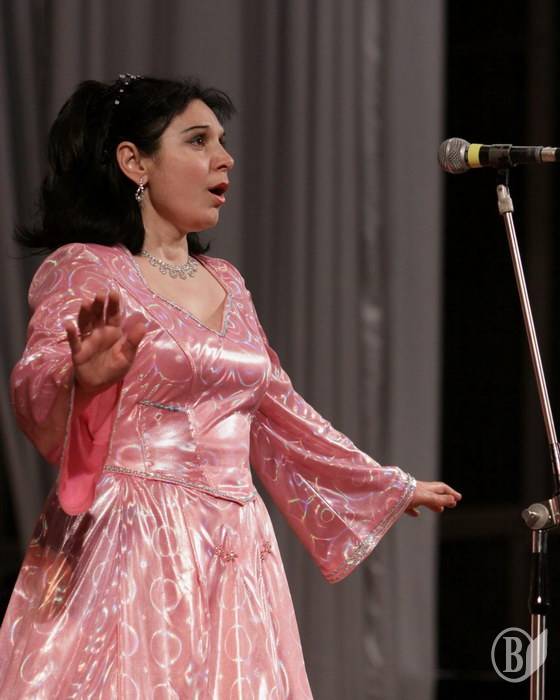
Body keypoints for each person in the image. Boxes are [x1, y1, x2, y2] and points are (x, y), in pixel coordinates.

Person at [0, 74, 461, 698]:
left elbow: (278, 410)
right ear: (134, 162)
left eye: (221, 141)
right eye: (197, 141)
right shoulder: (87, 266)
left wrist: (383, 484)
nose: (225, 158)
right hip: (132, 536)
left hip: (236, 545)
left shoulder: (227, 280)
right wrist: (82, 380)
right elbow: (36, 390)